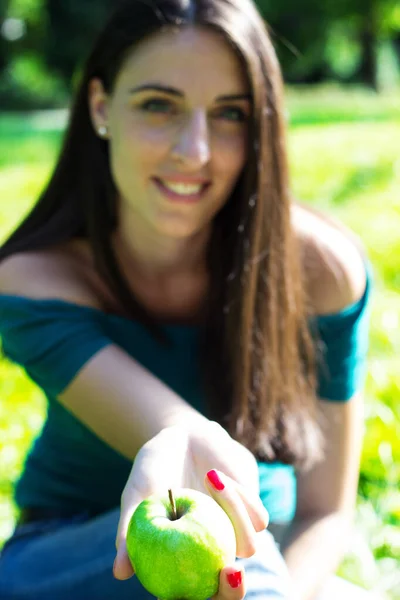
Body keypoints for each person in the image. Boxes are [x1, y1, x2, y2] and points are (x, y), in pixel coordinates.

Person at [0, 0, 372, 598]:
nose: (195, 150)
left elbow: (325, 512)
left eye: (230, 114)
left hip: (264, 567)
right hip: (69, 562)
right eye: (159, 105)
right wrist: (187, 441)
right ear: (101, 108)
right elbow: (178, 443)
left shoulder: (322, 273)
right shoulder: (34, 281)